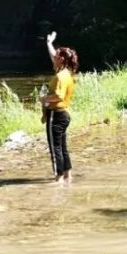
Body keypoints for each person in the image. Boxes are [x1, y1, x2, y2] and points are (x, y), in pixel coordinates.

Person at [40, 32, 78, 183]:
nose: (53, 58)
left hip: (55, 116)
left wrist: (43, 99)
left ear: (61, 59)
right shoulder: (65, 72)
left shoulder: (60, 76)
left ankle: (58, 178)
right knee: (62, 146)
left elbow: (59, 96)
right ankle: (68, 175)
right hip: (63, 115)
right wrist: (49, 43)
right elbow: (53, 56)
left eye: (56, 56)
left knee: (55, 147)